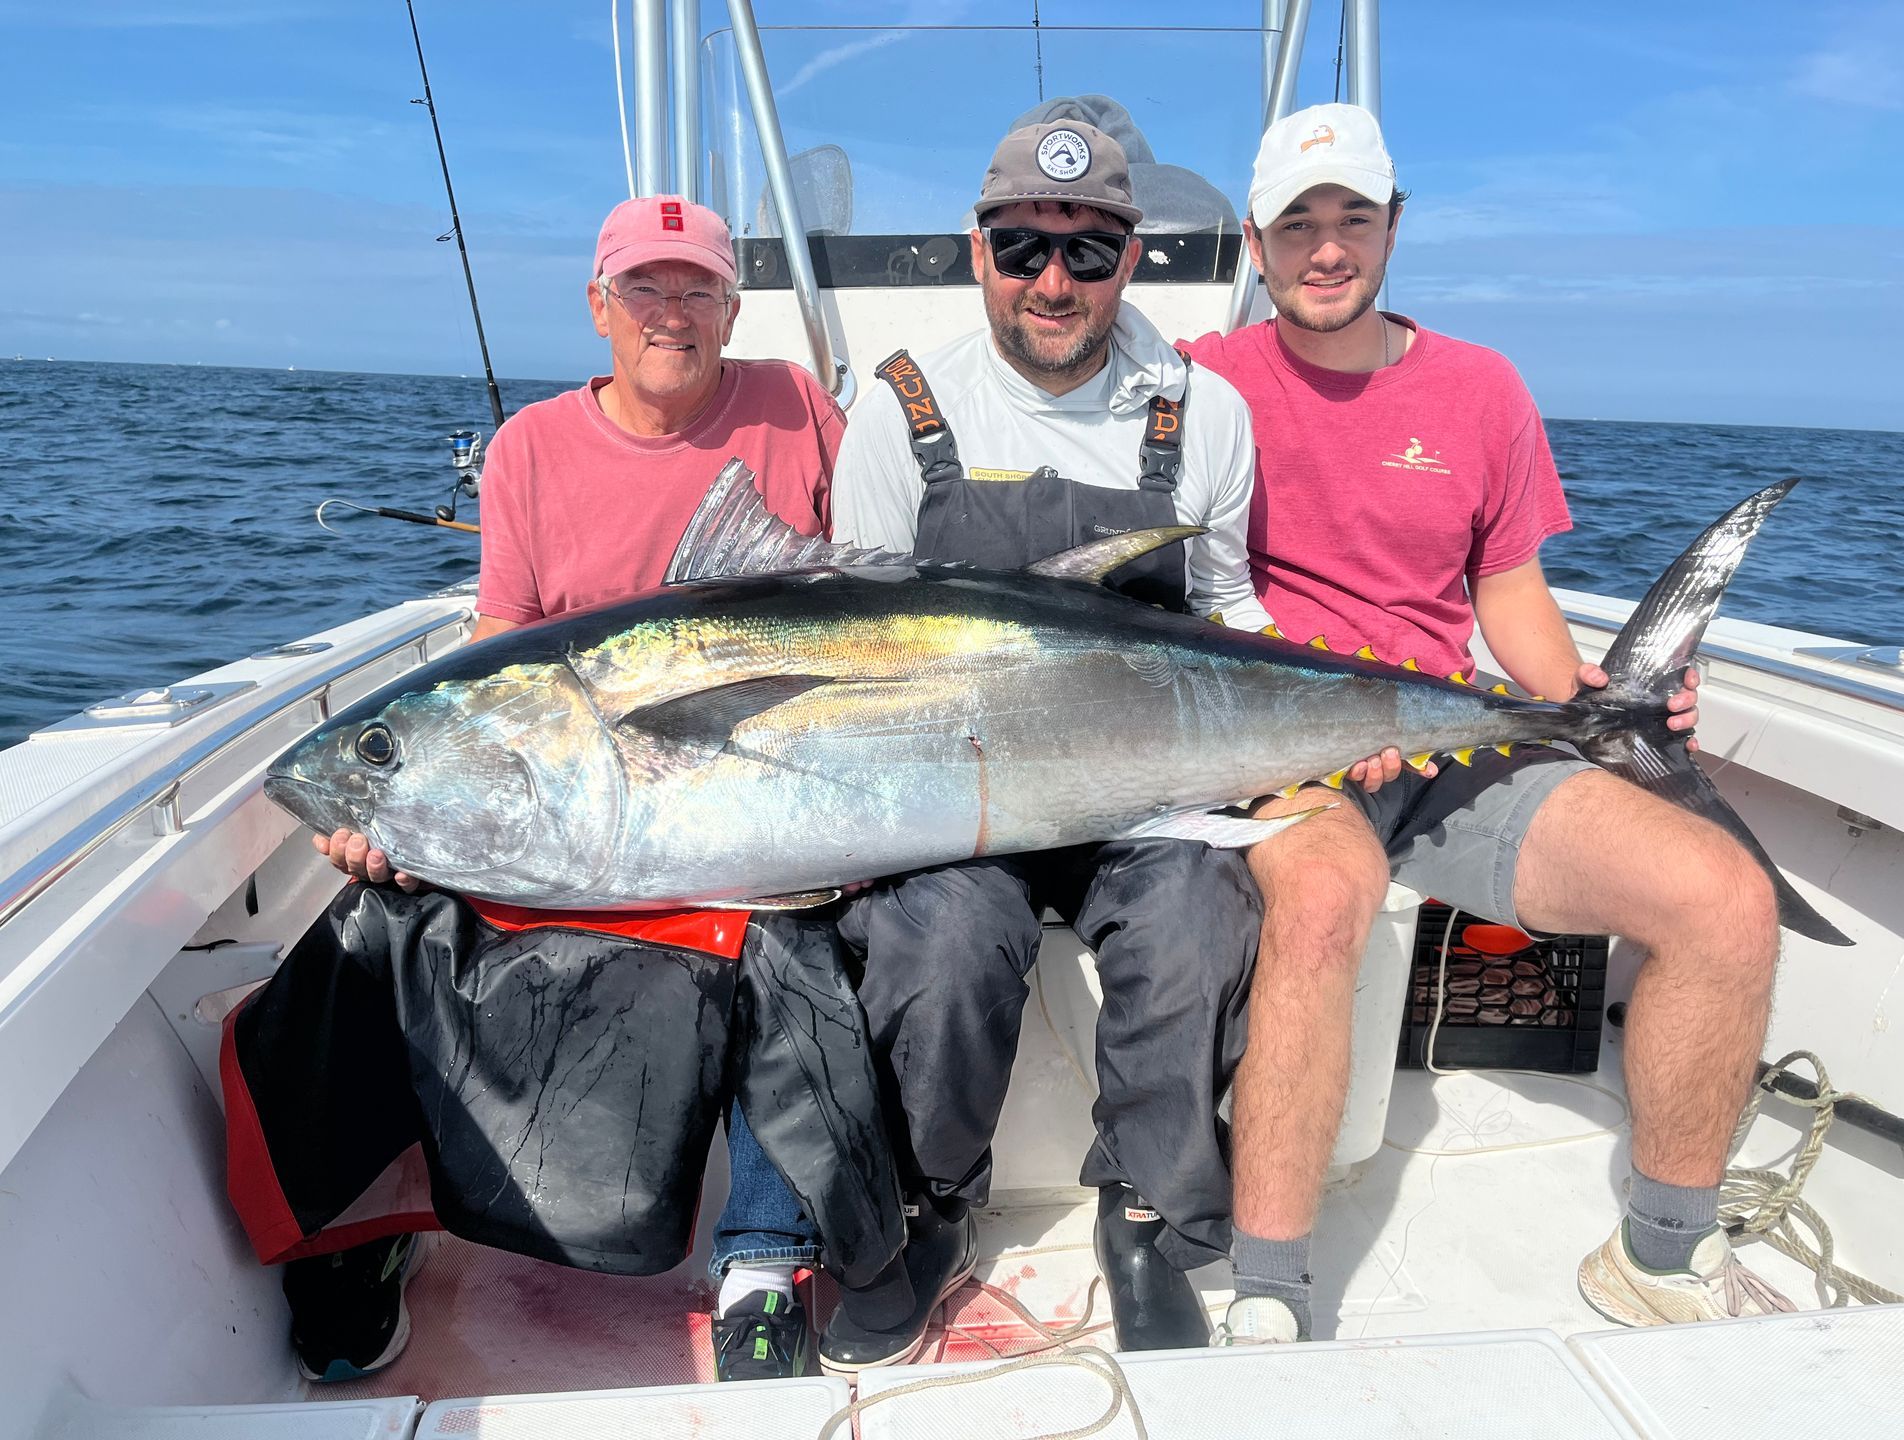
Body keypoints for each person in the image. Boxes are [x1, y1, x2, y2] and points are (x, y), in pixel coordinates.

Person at [1182, 103, 1790, 1343]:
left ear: (1395, 228)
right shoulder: (1198, 383)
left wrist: (1599, 705)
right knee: (1321, 903)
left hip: (1460, 743)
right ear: (1257, 242)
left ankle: (1664, 1251)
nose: (1328, 248)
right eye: (1299, 224)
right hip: (1289, 750)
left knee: (1727, 900)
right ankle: (1271, 1291)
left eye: (1354, 218)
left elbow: (1502, 586)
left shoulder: (1480, 387)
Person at [248, 195, 863, 1384]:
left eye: (696, 291)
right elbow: (498, 655)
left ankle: (765, 1254)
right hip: (583, 800)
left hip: (771, 782)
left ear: (733, 308)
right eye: (645, 290)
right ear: (599, 306)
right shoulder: (530, 446)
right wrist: (397, 799)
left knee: (801, 934)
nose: (670, 315)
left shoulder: (797, 406)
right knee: (377, 930)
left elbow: (874, 583)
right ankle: (362, 1229)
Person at [821, 118, 1272, 1369]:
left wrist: (1365, 714)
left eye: (1090, 249)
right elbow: (860, 640)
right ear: (980, 254)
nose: (1054, 280)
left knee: (1196, 919)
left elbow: (1233, 613)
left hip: (1146, 784)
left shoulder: (1205, 410)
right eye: (1023, 247)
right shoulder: (902, 403)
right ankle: (929, 1203)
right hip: (956, 789)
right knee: (939, 935)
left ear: (1133, 257)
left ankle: (1150, 1218)